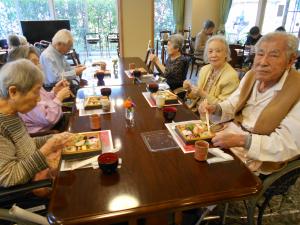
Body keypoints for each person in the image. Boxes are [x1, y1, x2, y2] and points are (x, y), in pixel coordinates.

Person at [199, 32, 300, 175]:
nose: (263, 62)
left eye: (273, 55)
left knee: (208, 173)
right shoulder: (252, 75)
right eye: (260, 54)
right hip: (231, 135)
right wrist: (215, 108)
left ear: (290, 61)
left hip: (259, 154)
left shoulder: (297, 89)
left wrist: (242, 141)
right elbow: (233, 104)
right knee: (193, 151)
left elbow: (287, 144)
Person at [0, 59, 73, 188]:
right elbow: (9, 177)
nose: (39, 98)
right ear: (13, 92)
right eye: (36, 91)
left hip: (37, 173)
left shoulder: (11, 113)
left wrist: (52, 139)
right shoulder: (2, 125)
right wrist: (46, 149)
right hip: (27, 193)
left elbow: (24, 145)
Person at [8, 45, 72, 134]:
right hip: (48, 132)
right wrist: (59, 97)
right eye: (33, 63)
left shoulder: (32, 82)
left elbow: (44, 101)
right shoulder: (22, 91)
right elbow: (49, 118)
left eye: (38, 62)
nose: (39, 66)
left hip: (57, 121)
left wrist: (54, 92)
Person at [183, 35, 239, 112]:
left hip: (213, 118)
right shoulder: (205, 69)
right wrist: (189, 89)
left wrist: (203, 93)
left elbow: (224, 107)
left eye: (218, 51)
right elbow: (196, 96)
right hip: (196, 110)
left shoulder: (231, 76)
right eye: (210, 51)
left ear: (226, 53)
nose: (213, 55)